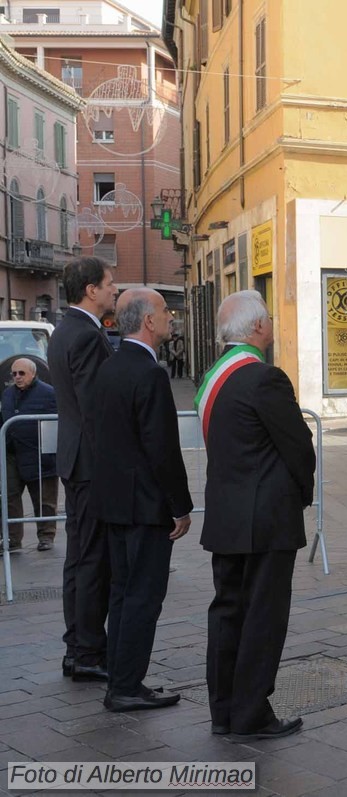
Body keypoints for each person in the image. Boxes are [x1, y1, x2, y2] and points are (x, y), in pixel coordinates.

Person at [196, 290, 314, 741]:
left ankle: (224, 711)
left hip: (226, 516)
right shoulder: (264, 378)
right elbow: (298, 447)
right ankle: (251, 714)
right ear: (258, 327)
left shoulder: (213, 377)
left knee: (227, 614)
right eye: (268, 318)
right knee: (262, 617)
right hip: (265, 520)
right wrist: (301, 494)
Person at [91, 289, 192, 712]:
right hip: (145, 505)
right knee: (143, 597)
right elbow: (161, 446)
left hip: (115, 502)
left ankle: (122, 679)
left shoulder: (110, 367)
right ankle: (127, 687)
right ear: (148, 321)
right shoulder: (149, 373)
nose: (170, 318)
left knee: (121, 593)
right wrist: (180, 505)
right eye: (165, 312)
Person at [48, 256, 119, 683]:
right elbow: (98, 408)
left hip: (75, 458)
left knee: (78, 558)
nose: (114, 290)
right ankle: (89, 650)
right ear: (91, 289)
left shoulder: (63, 330)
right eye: (109, 284)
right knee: (92, 560)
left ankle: (78, 647)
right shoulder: (88, 336)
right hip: (91, 462)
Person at [1, 359, 58, 552]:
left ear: (33, 373)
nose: (17, 377)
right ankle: (12, 539)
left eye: (21, 373)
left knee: (44, 499)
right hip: (12, 454)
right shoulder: (7, 394)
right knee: (9, 497)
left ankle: (46, 536)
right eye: (14, 374)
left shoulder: (49, 393)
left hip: (40, 455)